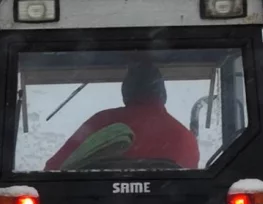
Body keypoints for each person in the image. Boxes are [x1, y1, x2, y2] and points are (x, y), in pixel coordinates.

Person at [43, 61, 199, 170]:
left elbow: (55, 169)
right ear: (162, 94)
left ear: (126, 91)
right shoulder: (185, 137)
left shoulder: (103, 123)